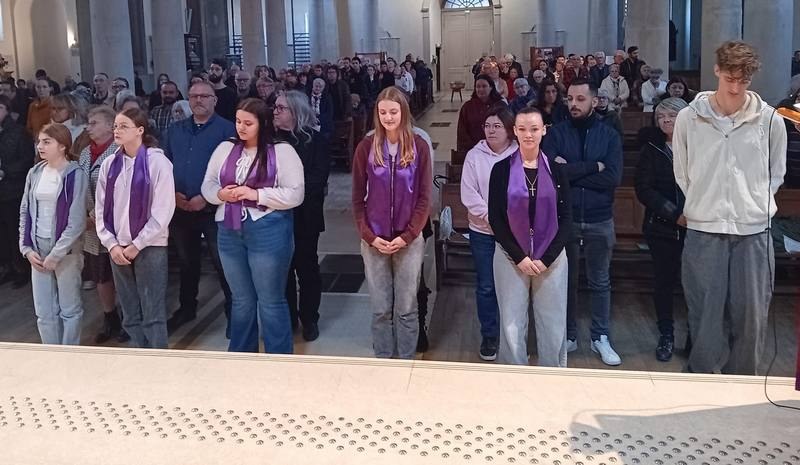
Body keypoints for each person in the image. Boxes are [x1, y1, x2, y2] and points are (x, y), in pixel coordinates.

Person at [673, 40, 786, 375]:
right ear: (717, 71)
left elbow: (775, 173)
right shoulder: (689, 118)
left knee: (751, 317)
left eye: (743, 81)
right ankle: (703, 386)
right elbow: (683, 172)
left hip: (753, 232)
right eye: (730, 79)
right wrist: (704, 202)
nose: (735, 88)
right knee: (704, 319)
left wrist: (752, 204)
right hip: (704, 229)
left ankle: (742, 388)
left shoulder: (770, 120)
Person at [201, 98, 304, 353]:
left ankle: (278, 358)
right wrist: (221, 194)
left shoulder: (282, 151)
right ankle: (242, 357)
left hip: (268, 228)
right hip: (229, 229)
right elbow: (208, 184)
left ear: (263, 123)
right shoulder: (225, 148)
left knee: (270, 300)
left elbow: (295, 194)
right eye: (238, 122)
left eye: (248, 123)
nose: (241, 127)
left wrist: (256, 195)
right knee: (241, 300)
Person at [541, 79, 623, 366]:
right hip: (567, 218)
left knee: (600, 281)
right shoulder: (556, 133)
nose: (573, 104)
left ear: (594, 102)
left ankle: (600, 336)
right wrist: (591, 167)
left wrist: (571, 172)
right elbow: (552, 174)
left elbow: (612, 177)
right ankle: (569, 334)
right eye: (570, 99)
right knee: (567, 280)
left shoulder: (609, 135)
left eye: (580, 99)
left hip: (600, 218)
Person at [352, 86, 432, 359]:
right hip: (374, 239)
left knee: (407, 308)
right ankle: (384, 359)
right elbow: (357, 198)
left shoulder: (419, 146)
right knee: (380, 308)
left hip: (408, 239)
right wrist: (368, 235)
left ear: (403, 112)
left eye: (393, 112)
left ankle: (406, 360)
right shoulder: (367, 146)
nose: (388, 117)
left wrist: (408, 235)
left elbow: (424, 197)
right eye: (383, 112)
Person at [487, 107, 572, 366]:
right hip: (511, 255)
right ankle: (514, 379)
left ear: (544, 130)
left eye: (534, 129)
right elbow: (496, 219)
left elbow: (566, 219)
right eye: (522, 129)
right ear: (514, 131)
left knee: (553, 323)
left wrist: (546, 258)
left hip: (551, 257)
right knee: (512, 324)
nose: (528, 135)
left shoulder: (557, 170)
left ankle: (552, 376)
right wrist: (520, 257)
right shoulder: (501, 170)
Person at [95, 108, 176, 349]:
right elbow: (101, 209)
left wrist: (137, 244)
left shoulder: (158, 162)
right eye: (115, 126)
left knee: (153, 312)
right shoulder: (110, 164)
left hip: (149, 246)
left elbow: (163, 211)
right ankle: (139, 356)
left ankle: (157, 360)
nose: (117, 130)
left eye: (123, 126)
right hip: (118, 246)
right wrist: (111, 244)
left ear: (140, 130)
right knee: (129, 312)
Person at [164, 81, 236, 335]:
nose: (198, 100)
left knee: (222, 262)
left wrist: (206, 197)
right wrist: (173, 193)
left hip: (213, 208)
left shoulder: (227, 129)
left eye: (205, 96)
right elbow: (165, 164)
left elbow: (232, 171)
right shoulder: (175, 129)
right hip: (181, 206)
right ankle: (187, 308)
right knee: (187, 262)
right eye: (194, 96)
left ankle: (234, 312)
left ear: (214, 100)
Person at [19, 123, 87, 345]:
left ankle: (68, 355)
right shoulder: (35, 172)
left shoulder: (75, 174)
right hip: (37, 246)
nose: (40, 146)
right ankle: (50, 355)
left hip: (66, 249)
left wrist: (56, 254)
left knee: (70, 308)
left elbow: (76, 221)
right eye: (39, 141)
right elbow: (25, 211)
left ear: (62, 146)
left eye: (46, 142)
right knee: (44, 311)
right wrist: (26, 248)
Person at [460, 106, 519, 361]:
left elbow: (521, 191)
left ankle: (513, 335)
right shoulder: (475, 155)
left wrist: (507, 221)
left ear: (509, 129)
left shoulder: (519, 153)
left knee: (514, 286)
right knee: (486, 286)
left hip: (513, 232)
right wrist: (493, 219)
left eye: (497, 126)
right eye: (487, 126)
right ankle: (490, 335)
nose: (491, 130)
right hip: (482, 232)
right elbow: (469, 194)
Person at [634, 97, 689, 362]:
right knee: (664, 283)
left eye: (671, 116)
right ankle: (666, 334)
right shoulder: (652, 148)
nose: (665, 120)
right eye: (660, 116)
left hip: (697, 227)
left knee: (695, 286)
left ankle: (695, 337)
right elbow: (644, 189)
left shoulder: (699, 145)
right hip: (662, 227)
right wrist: (674, 215)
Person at [274, 91, 330, 342]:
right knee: (282, 270)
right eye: (275, 107)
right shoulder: (270, 141)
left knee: (307, 269)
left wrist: (285, 193)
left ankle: (310, 318)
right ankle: (288, 317)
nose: (275, 112)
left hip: (305, 215)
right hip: (276, 217)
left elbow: (317, 179)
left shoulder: (316, 141)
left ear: (296, 112)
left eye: (281, 108)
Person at [78, 105, 127, 343]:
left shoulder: (120, 151)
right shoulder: (85, 152)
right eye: (88, 122)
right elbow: (80, 187)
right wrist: (86, 215)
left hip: (117, 225)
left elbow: (124, 190)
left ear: (110, 126)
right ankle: (110, 318)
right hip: (92, 225)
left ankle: (130, 318)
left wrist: (101, 215)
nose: (88, 127)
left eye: (94, 122)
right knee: (100, 275)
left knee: (122, 275)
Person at [0, 95, 35, 288]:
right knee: (3, 234)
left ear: (7, 110)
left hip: (13, 189)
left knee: (15, 231)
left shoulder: (18, 132)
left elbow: (26, 160)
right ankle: (7, 267)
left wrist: (6, 170)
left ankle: (22, 268)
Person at [456, 75, 505, 151]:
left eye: (484, 86)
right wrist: (474, 149)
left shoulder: (500, 105)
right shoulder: (467, 107)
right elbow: (462, 132)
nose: (481, 89)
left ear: (491, 87)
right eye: (478, 87)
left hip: (497, 149)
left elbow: (506, 128)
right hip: (473, 150)